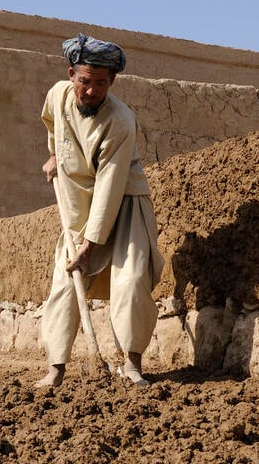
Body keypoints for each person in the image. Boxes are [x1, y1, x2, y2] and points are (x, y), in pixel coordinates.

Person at [36, 34, 164, 388]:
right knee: (65, 283)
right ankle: (57, 368)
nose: (91, 91)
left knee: (131, 279)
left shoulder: (120, 120)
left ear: (113, 82)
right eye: (84, 82)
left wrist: (90, 245)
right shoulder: (57, 95)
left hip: (123, 199)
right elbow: (53, 126)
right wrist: (53, 155)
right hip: (77, 199)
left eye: (100, 84)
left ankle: (132, 363)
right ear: (71, 75)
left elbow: (109, 185)